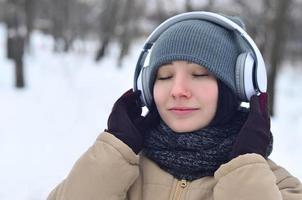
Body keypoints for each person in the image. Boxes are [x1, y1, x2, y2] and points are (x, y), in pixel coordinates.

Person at [47, 11, 302, 200]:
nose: (178, 90)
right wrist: (115, 150)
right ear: (146, 88)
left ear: (234, 88)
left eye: (200, 74)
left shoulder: (279, 187)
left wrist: (246, 168)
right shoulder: (122, 172)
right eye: (165, 77)